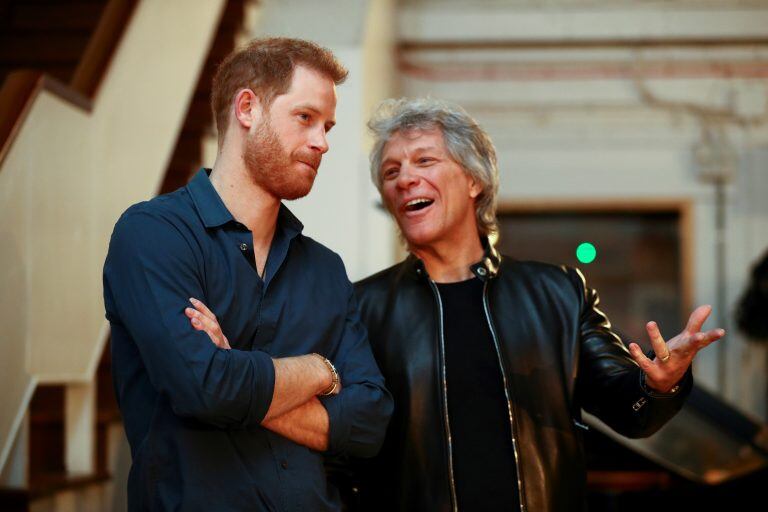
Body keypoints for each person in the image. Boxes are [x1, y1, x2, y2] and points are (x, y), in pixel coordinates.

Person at [351, 97, 725, 511]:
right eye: (391, 171)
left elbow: (629, 411)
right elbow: (346, 449)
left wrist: (660, 384)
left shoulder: (557, 293)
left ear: (474, 180)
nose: (404, 179)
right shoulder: (362, 309)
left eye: (424, 161)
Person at [102, 38, 392, 512]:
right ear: (247, 108)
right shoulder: (153, 234)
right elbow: (206, 391)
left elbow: (368, 423)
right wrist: (321, 371)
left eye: (328, 127)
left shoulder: (324, 269)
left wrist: (236, 370)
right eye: (306, 118)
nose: (323, 142)